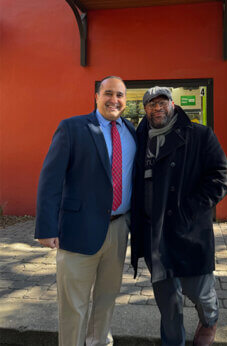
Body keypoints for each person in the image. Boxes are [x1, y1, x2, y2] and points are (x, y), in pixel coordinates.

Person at [35, 76, 136, 346]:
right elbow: (50, 179)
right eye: (109, 93)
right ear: (96, 96)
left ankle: (99, 342)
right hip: (77, 230)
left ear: (126, 101)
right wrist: (46, 228)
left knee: (106, 299)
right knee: (74, 305)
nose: (114, 100)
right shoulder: (72, 128)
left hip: (118, 229)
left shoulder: (132, 131)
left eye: (120, 95)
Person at [131, 86, 227, 346]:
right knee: (168, 302)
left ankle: (210, 319)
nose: (157, 107)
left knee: (199, 292)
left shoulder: (199, 135)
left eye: (162, 101)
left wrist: (188, 210)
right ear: (145, 110)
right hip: (155, 234)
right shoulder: (138, 140)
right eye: (151, 104)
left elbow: (221, 178)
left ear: (173, 104)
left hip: (188, 231)